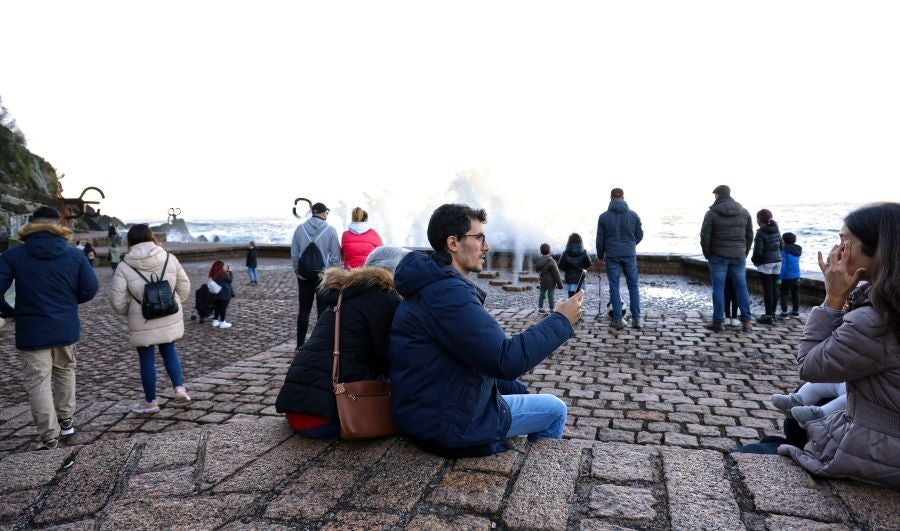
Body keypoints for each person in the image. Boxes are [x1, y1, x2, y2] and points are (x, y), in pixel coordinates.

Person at [389, 203, 583, 458]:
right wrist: (561, 320)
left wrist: (516, 389)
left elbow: (473, 358)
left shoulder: (434, 287)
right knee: (554, 410)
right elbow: (506, 359)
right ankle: (537, 480)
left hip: (430, 410)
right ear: (453, 243)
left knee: (522, 392)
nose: (486, 247)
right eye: (479, 237)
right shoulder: (447, 295)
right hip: (448, 424)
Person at [776, 203, 900, 489]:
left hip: (885, 448)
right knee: (804, 406)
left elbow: (810, 366)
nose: (837, 250)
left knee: (793, 425)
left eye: (845, 241)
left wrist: (832, 298)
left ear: (878, 251)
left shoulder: (878, 321)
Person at [275, 246, 409, 438]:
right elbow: (393, 360)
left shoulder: (344, 295)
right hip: (327, 417)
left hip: (299, 411)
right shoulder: (384, 299)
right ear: (395, 272)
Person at [0, 207, 99, 450]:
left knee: (38, 382)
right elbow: (90, 288)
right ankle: (67, 421)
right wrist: (66, 304)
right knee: (65, 371)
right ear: (59, 225)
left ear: (31, 225)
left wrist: (9, 311)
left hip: (31, 329)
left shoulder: (13, 255)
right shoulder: (74, 255)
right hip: (65, 327)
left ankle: (49, 436)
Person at [110, 224, 191, 414]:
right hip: (169, 313)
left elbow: (117, 300)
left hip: (142, 318)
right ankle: (179, 389)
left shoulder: (124, 265)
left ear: (130, 241)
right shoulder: (169, 258)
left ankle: (151, 402)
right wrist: (175, 301)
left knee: (146, 359)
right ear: (152, 238)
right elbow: (185, 286)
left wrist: (130, 311)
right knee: (170, 351)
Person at [700, 185, 754, 332]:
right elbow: (749, 236)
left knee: (718, 288)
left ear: (717, 195)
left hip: (717, 256)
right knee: (741, 287)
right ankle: (747, 322)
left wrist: (708, 254)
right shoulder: (744, 212)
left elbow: (705, 236)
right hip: (738, 255)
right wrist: (744, 252)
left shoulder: (712, 214)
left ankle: (718, 322)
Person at [291, 202, 341, 351]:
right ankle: (320, 345)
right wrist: (329, 274)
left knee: (304, 310)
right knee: (322, 311)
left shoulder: (300, 229)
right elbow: (335, 257)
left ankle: (300, 345)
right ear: (324, 213)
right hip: (322, 277)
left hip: (304, 276)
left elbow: (294, 253)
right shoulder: (331, 230)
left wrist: (298, 271)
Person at [596, 187, 643, 330]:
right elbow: (639, 235)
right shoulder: (633, 215)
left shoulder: (603, 217)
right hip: (629, 254)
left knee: (614, 287)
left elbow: (600, 239)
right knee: (633, 286)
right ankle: (636, 319)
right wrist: (630, 245)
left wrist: (600, 256)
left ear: (610, 198)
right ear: (623, 197)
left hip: (612, 255)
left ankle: (617, 319)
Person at [751, 209, 782, 324]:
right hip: (778, 261)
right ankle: (773, 314)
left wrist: (755, 260)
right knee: (774, 288)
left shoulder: (761, 232)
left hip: (766, 263)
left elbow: (758, 251)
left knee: (767, 290)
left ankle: (768, 316)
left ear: (759, 219)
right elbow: (781, 245)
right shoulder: (776, 229)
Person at [771, 382, 847, 426]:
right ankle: (796, 401)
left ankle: (819, 414)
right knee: (818, 382)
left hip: (857, 390)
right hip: (846, 378)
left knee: (850, 399)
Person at [558, 232, 592, 298]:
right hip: (580, 279)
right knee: (579, 298)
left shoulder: (565, 253)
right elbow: (589, 263)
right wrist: (582, 266)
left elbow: (560, 265)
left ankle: (571, 308)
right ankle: (578, 308)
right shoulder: (584, 252)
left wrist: (567, 269)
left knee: (571, 298)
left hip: (569, 279)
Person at [533, 243, 563, 313]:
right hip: (551, 282)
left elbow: (537, 270)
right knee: (550, 295)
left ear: (541, 251)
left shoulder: (538, 260)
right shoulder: (552, 261)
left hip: (542, 281)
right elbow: (556, 274)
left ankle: (540, 308)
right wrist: (560, 285)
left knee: (542, 294)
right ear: (549, 251)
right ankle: (551, 309)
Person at [779, 232, 802, 318]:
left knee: (784, 294)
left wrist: (779, 278)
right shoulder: (798, 249)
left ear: (784, 240)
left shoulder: (784, 250)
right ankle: (796, 312)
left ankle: (784, 313)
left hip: (787, 277)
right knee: (795, 294)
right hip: (796, 275)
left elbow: (783, 265)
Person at [208, 260, 235, 329]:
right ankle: (222, 322)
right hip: (224, 294)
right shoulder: (223, 274)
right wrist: (230, 271)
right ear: (221, 267)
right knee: (223, 308)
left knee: (217, 307)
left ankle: (215, 321)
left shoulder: (212, 274)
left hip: (215, 294)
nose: (224, 267)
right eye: (223, 266)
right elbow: (230, 280)